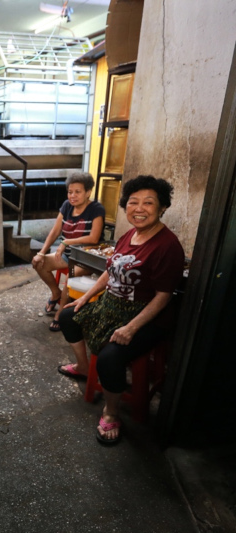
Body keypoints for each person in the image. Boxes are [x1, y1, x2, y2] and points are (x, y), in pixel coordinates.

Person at [56, 175, 185, 446]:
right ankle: (81, 366)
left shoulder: (167, 246)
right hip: (111, 305)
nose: (139, 208)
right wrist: (84, 298)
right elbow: (109, 272)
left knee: (109, 358)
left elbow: (163, 297)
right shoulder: (129, 235)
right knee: (67, 315)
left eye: (148, 203)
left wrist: (131, 328)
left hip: (145, 316)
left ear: (162, 207)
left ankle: (111, 412)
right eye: (133, 202)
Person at [31, 172, 105, 331]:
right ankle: (56, 293)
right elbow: (55, 230)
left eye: (78, 192)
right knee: (38, 263)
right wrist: (42, 252)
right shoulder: (66, 205)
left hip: (87, 258)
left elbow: (93, 238)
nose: (73, 196)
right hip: (67, 255)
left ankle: (61, 314)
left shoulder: (96, 209)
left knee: (71, 274)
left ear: (88, 192)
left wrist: (66, 242)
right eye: (70, 192)